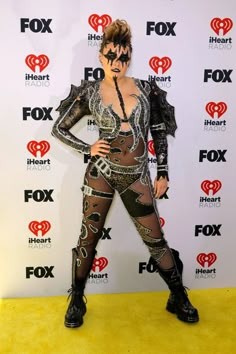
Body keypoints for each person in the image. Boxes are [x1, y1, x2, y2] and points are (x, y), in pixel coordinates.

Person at [52, 19, 199, 328]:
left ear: (130, 56)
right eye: (110, 56)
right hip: (100, 173)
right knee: (87, 240)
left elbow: (158, 131)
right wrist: (87, 149)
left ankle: (178, 296)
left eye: (123, 57)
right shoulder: (91, 93)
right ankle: (76, 299)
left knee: (155, 239)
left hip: (136, 175)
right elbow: (58, 128)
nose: (116, 63)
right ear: (100, 56)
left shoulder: (146, 90)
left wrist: (162, 172)